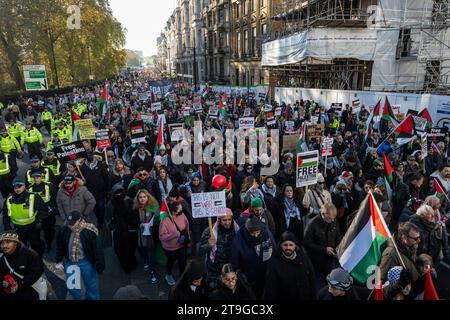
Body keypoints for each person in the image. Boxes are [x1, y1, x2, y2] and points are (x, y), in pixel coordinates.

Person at [55, 211, 105, 300]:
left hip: (86, 262)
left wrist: (100, 265)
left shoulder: (89, 231)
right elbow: (60, 245)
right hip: (70, 262)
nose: (71, 226)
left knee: (91, 285)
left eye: (73, 224)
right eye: (69, 224)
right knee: (72, 287)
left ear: (79, 220)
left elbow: (97, 249)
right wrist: (58, 260)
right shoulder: (64, 230)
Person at [230, 214, 276, 298]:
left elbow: (273, 252)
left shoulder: (266, 234)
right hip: (248, 278)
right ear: (247, 230)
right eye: (252, 233)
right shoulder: (239, 239)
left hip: (265, 275)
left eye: (258, 233)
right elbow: (234, 261)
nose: (256, 235)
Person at [2, 177, 49, 257]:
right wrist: (7, 227)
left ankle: (39, 258)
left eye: (19, 186)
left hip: (32, 227)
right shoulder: (9, 200)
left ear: (24, 186)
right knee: (21, 248)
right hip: (18, 229)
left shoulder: (33, 197)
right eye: (15, 187)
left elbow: (44, 210)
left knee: (36, 245)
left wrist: (39, 221)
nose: (17, 189)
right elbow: (5, 215)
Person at [264, 231, 316, 300]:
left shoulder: (303, 257)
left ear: (295, 246)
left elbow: (311, 278)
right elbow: (271, 289)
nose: (288, 247)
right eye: (285, 245)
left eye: (291, 245)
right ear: (281, 245)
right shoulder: (274, 263)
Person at [197, 208, 239, 289]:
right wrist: (208, 245)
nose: (227, 223)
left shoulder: (237, 230)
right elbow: (199, 251)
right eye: (224, 220)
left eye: (229, 219)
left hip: (230, 270)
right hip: (214, 271)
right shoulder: (210, 231)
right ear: (219, 220)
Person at [0, 231, 45, 301]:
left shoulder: (30, 254)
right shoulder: (1, 256)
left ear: (15, 242)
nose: (4, 246)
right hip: (9, 291)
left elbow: (38, 271)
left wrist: (20, 284)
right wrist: (3, 281)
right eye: (2, 243)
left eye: (8, 242)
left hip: (29, 288)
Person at [303, 203, 341, 284]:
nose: (332, 221)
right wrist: (324, 250)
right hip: (316, 262)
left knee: (333, 283)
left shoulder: (334, 221)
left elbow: (338, 237)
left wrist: (338, 249)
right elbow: (306, 243)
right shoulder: (312, 224)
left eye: (333, 218)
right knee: (319, 286)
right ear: (323, 214)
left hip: (331, 260)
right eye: (330, 219)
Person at [107, 184, 138, 274]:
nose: (119, 195)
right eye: (117, 193)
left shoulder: (128, 200)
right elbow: (108, 218)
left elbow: (133, 214)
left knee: (131, 248)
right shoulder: (111, 203)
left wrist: (132, 224)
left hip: (129, 228)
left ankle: (131, 263)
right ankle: (124, 264)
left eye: (120, 193)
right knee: (120, 248)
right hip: (118, 229)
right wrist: (112, 225)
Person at [159, 201, 190, 286]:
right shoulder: (164, 221)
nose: (182, 211)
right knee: (171, 261)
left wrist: (188, 237)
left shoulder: (182, 215)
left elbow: (186, 225)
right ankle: (168, 275)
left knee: (182, 262)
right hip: (170, 248)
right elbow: (161, 237)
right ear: (173, 211)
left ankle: (182, 277)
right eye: (180, 210)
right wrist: (173, 235)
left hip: (181, 244)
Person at [132, 189, 160, 283]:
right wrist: (139, 224)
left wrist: (153, 223)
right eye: (140, 197)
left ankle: (153, 272)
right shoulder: (135, 208)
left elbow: (158, 219)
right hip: (141, 235)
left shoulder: (153, 206)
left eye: (144, 197)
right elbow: (132, 220)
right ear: (138, 199)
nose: (142, 199)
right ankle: (147, 261)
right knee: (143, 250)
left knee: (151, 252)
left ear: (148, 197)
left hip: (152, 235)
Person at [28, 172, 56, 252]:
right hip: (37, 213)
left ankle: (49, 244)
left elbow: (54, 195)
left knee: (48, 230)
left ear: (41, 177)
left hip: (48, 211)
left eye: (38, 177)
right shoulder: (30, 188)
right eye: (35, 178)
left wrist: (52, 206)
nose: (36, 179)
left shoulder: (47, 185)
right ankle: (41, 245)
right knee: (37, 232)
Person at [80, 152, 109, 228]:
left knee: (101, 207)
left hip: (101, 190)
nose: (89, 156)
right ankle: (99, 220)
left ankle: (101, 221)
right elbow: (81, 180)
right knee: (95, 207)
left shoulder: (100, 165)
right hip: (90, 192)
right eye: (87, 155)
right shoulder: (82, 167)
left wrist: (107, 189)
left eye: (90, 155)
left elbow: (106, 177)